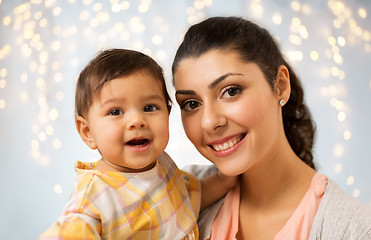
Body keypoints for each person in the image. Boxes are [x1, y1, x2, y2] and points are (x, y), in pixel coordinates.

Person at [172, 17, 371, 240]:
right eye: (191, 104)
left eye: (231, 91)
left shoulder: (354, 230)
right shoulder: (178, 194)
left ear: (280, 87)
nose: (209, 122)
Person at [39, 48, 235, 240]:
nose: (137, 120)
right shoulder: (96, 196)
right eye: (115, 112)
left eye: (149, 108)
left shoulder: (162, 164)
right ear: (87, 132)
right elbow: (70, 230)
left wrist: (225, 180)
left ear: (167, 114)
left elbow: (190, 200)